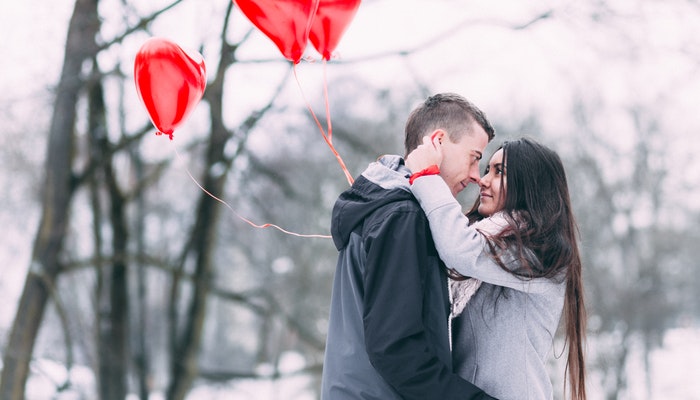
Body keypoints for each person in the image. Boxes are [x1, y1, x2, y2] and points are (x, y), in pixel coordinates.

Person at [321, 93, 497, 400]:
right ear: (438, 142)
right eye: (474, 157)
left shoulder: (384, 207)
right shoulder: (401, 216)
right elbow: (396, 349)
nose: (474, 176)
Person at [405, 136, 587, 400]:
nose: (483, 180)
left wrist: (426, 176)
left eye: (499, 172)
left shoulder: (537, 253)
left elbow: (459, 249)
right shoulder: (489, 241)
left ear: (531, 185)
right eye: (487, 169)